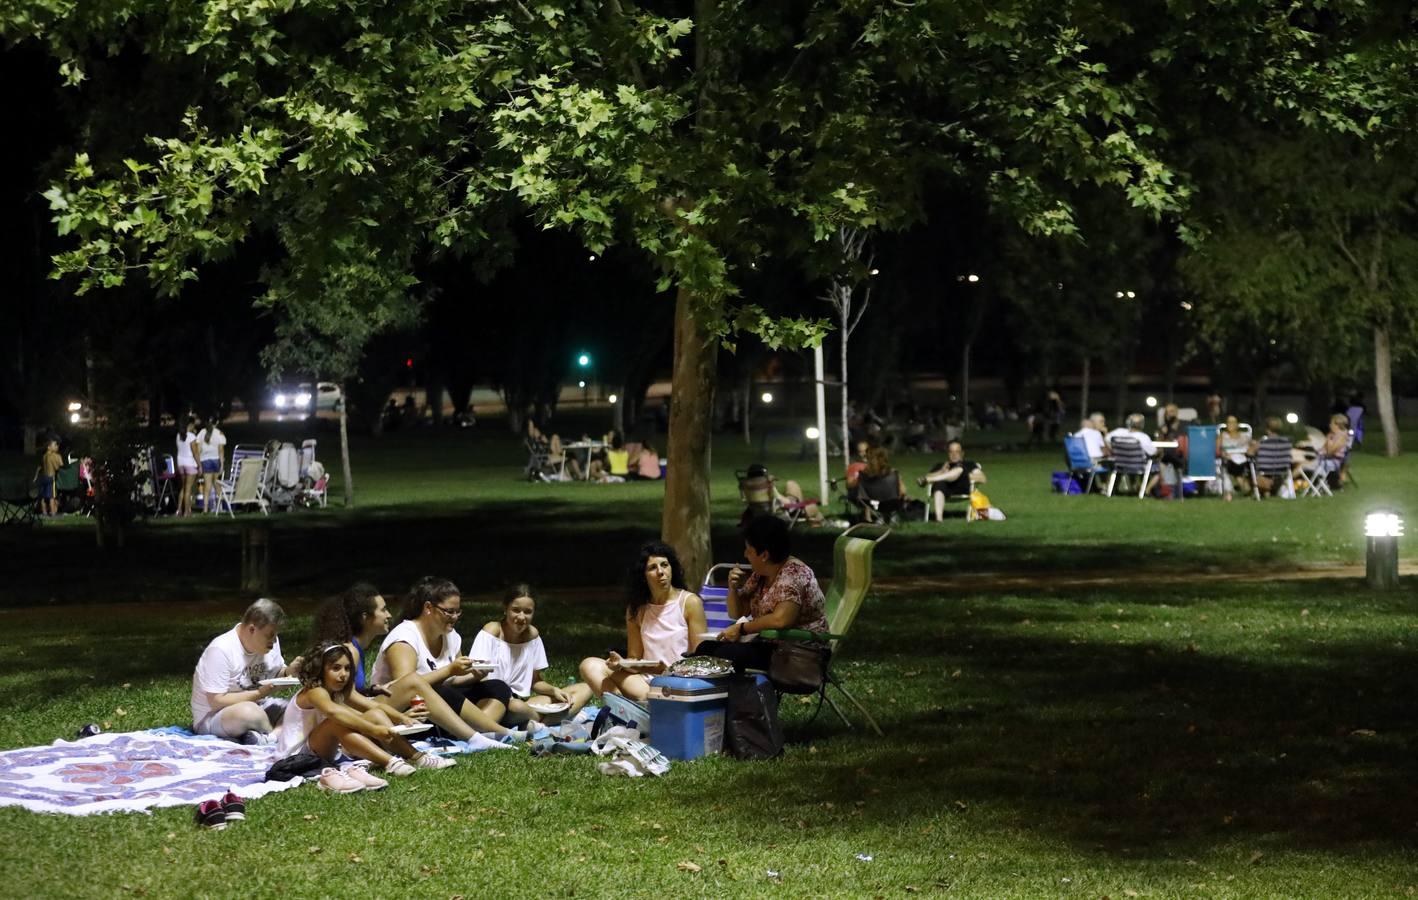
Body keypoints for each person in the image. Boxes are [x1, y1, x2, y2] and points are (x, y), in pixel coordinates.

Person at [308, 583, 490, 743]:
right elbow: (338, 702)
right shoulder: (350, 651)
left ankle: (485, 733)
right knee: (413, 681)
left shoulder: (357, 649)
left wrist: (372, 691)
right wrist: (397, 716)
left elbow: (349, 693)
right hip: (350, 721)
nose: (389, 615)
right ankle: (478, 737)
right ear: (365, 617)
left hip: (364, 712)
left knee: (495, 688)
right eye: (383, 610)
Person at [278, 642, 454, 788]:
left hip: (327, 747)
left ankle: (416, 757)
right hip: (300, 755)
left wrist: (402, 718)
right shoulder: (314, 691)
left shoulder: (340, 690)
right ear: (320, 669)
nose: (343, 675)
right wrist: (374, 730)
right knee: (336, 722)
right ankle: (390, 761)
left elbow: (373, 705)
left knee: (375, 713)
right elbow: (334, 712)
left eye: (347, 669)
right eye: (336, 668)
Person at [370, 576, 516, 736]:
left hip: (440, 703)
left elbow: (453, 680)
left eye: (457, 611)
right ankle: (495, 731)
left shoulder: (450, 635)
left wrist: (473, 675)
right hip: (408, 710)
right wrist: (450, 670)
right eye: (449, 611)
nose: (454, 617)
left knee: (497, 686)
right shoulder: (405, 638)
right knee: (440, 692)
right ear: (428, 608)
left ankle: (478, 730)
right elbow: (407, 687)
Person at [694, 515, 828, 672]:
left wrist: (742, 629)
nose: (745, 555)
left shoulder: (794, 575)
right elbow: (736, 612)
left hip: (800, 653)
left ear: (764, 555)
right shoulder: (761, 574)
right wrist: (733, 588)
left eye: (748, 550)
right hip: (773, 646)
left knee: (725, 655)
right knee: (705, 648)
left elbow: (781, 620)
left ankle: (733, 695)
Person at [579, 541, 708, 702]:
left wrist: (666, 670)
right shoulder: (637, 609)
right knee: (589, 665)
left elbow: (701, 658)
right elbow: (635, 657)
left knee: (652, 692)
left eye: (665, 565)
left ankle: (632, 709)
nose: (661, 572)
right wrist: (622, 663)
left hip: (678, 683)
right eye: (652, 568)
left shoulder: (690, 602)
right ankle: (626, 709)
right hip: (645, 683)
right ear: (643, 576)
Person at [470, 584, 594, 725]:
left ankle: (538, 724)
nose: (522, 617)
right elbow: (478, 678)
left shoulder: (532, 635)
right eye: (516, 610)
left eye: (527, 612)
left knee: (585, 689)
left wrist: (554, 691)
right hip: (495, 702)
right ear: (505, 609)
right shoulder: (492, 631)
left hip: (523, 703)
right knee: (516, 706)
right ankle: (549, 721)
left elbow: (535, 682)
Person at [191, 598, 304, 744]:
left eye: (276, 635)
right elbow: (216, 701)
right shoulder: (221, 650)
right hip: (214, 716)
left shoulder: (269, 644)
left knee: (300, 707)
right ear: (252, 629)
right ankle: (276, 735)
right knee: (250, 713)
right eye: (271, 635)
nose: (275, 640)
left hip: (258, 704)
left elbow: (276, 676)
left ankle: (268, 738)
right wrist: (259, 693)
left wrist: (289, 672)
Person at [917, 439, 985, 522]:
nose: (954, 454)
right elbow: (926, 476)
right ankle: (939, 519)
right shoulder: (942, 465)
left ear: (962, 453)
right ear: (948, 453)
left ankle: (932, 479)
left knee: (960, 469)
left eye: (957, 452)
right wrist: (941, 471)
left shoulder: (968, 464)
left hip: (961, 488)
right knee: (939, 485)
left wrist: (963, 475)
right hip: (945, 489)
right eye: (951, 452)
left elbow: (982, 478)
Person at [858, 447, 908, 520]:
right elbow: (903, 492)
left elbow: (862, 495)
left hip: (872, 504)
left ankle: (868, 517)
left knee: (866, 495)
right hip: (891, 504)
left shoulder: (864, 475)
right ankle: (891, 515)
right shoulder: (894, 474)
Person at [1217, 414, 1254, 501]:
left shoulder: (1244, 436)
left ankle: (1247, 489)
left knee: (1246, 465)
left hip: (1243, 460)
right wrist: (1224, 454)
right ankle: (1239, 490)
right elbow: (1217, 449)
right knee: (1229, 466)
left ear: (1237, 424)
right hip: (1229, 460)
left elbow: (1251, 448)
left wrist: (1248, 451)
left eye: (1233, 422)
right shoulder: (1223, 435)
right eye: (1228, 422)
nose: (1230, 424)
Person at [196, 415, 226, 513]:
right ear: (216, 423)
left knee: (207, 485)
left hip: (205, 461)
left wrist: (199, 463)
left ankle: (205, 508)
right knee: (217, 484)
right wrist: (221, 464)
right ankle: (220, 506)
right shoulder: (219, 433)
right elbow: (221, 450)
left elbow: (199, 449)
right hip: (216, 460)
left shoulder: (201, 433)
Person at [175, 416, 200, 517]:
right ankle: (187, 512)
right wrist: (199, 465)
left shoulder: (179, 435)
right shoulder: (191, 436)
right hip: (190, 463)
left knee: (183, 488)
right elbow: (195, 453)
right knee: (188, 489)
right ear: (191, 424)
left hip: (181, 463)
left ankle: (179, 510)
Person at [34, 437, 63, 518]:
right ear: (49, 447)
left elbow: (39, 467)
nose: (57, 446)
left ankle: (44, 512)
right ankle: (53, 513)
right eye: (55, 445)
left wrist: (36, 476)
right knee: (52, 496)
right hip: (51, 478)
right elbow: (58, 467)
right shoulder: (55, 456)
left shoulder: (44, 456)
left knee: (43, 496)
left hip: (43, 477)